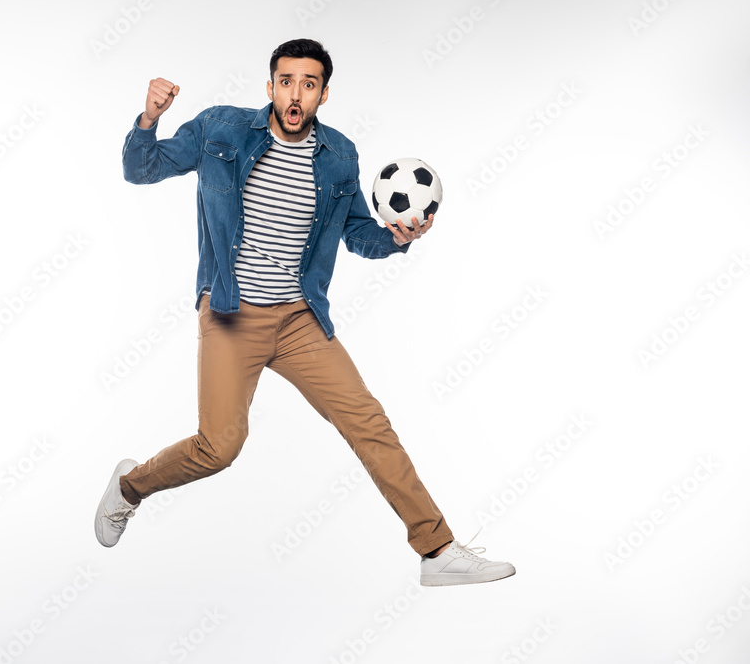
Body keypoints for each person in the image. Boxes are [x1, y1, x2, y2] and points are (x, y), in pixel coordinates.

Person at [95, 38, 515, 586]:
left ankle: (437, 553)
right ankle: (130, 487)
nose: (296, 94)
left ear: (321, 95)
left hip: (298, 320)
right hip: (230, 313)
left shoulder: (339, 155)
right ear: (270, 87)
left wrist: (398, 236)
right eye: (287, 81)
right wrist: (149, 118)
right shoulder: (220, 129)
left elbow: (358, 236)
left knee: (369, 423)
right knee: (218, 447)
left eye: (309, 84)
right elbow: (140, 169)